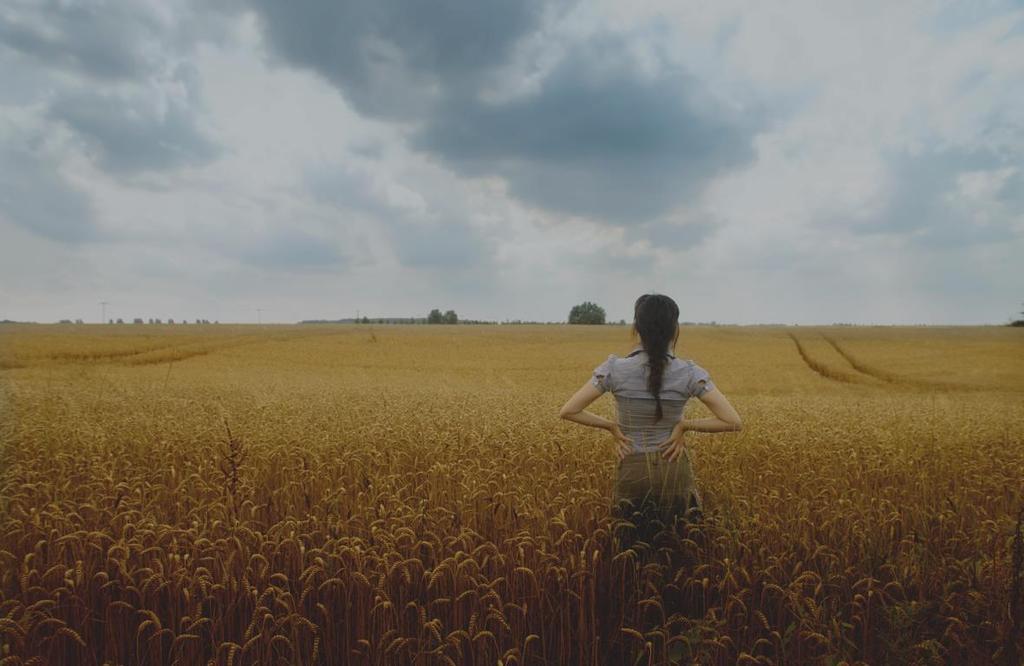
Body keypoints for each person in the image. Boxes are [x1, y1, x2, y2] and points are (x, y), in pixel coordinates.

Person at [558, 293, 742, 554]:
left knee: (630, 546)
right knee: (679, 543)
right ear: (674, 330)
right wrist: (684, 426)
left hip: (631, 465)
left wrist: (612, 427)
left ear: (636, 329)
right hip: (673, 465)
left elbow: (569, 410)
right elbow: (733, 421)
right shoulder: (690, 373)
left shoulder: (614, 369)